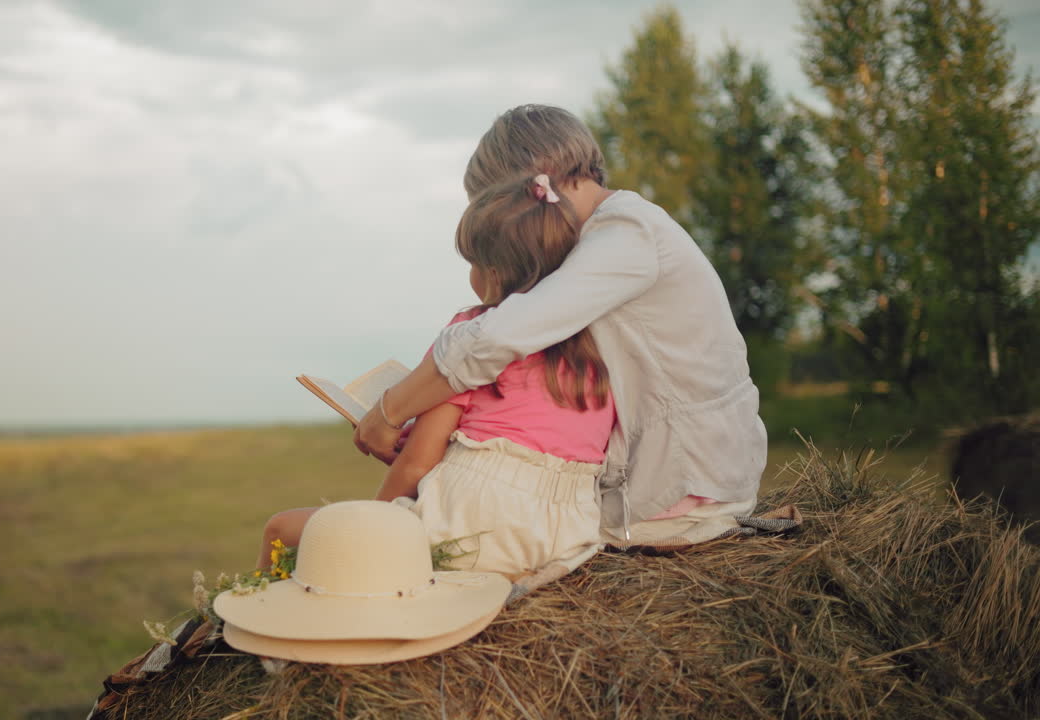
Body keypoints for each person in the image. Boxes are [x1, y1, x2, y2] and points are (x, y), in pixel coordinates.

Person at [354, 104, 766, 549]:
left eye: (504, 204)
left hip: (678, 494)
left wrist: (388, 412)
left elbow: (492, 339)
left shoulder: (628, 234)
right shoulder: (605, 236)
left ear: (539, 178)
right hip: (681, 476)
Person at [260, 173, 613, 579]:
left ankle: (232, 638)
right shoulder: (594, 351)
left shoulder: (471, 335)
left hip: (472, 523)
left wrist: (375, 523)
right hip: (563, 538)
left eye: (473, 264)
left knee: (281, 530)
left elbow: (416, 465)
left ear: (493, 272)